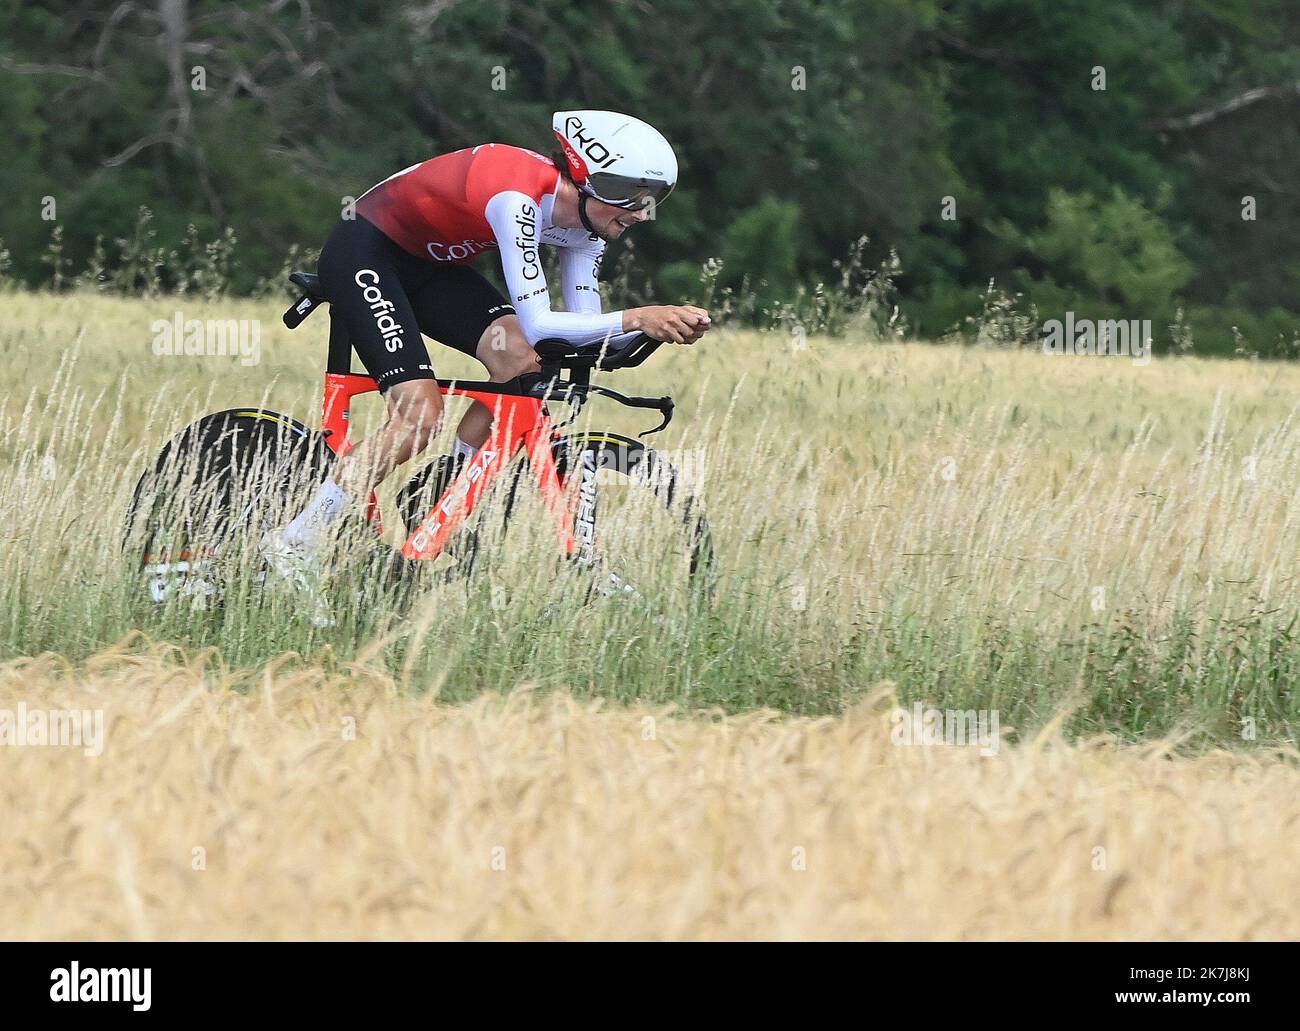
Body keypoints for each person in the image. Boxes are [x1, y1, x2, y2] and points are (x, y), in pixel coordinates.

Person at [263, 110, 711, 588]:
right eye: (633, 195)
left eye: (653, 198)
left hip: (432, 265)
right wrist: (640, 317)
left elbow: (579, 328)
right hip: (367, 253)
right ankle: (292, 546)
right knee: (419, 417)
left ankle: (440, 488)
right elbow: (540, 323)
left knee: (523, 360)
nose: (643, 212)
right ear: (588, 178)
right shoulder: (516, 197)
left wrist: (655, 331)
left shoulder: (588, 227)